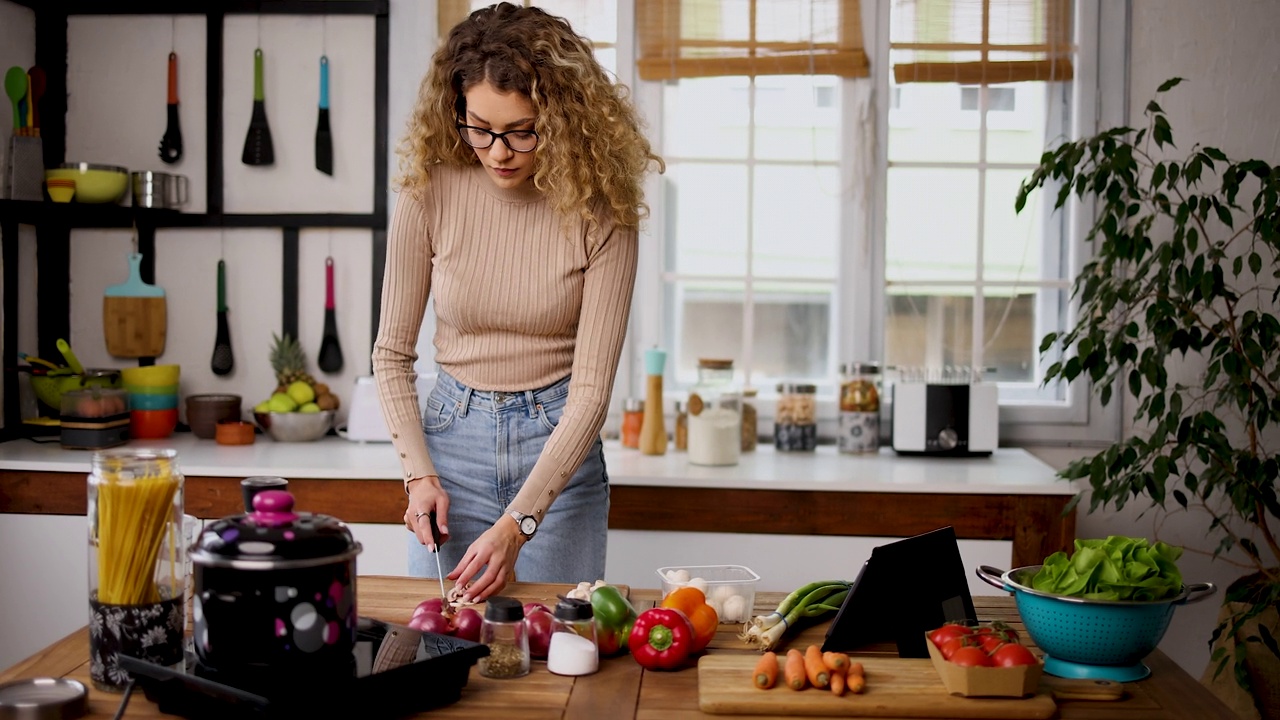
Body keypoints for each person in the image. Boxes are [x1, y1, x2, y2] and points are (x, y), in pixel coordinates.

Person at [373, 2, 663, 604]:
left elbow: (590, 394)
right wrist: (418, 476)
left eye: (521, 131)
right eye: (479, 128)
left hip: (559, 452)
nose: (497, 151)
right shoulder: (429, 193)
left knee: (560, 657)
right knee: (439, 653)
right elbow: (391, 354)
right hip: (450, 448)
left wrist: (521, 523)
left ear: (561, 120)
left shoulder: (600, 212)